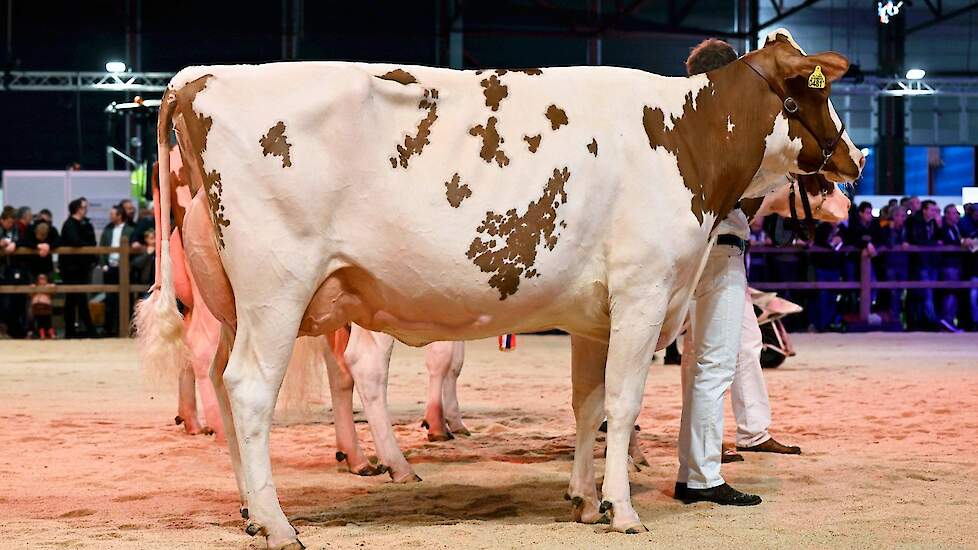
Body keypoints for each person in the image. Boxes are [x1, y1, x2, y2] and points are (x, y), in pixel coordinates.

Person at [674, 38, 798, 507]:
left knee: (694, 364)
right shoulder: (734, 126)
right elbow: (740, 197)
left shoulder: (684, 120)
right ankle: (702, 478)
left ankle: (694, 470)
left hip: (685, 252)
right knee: (715, 365)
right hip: (721, 248)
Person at [60, 197, 97, 338]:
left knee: (78, 299)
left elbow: (92, 241)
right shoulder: (69, 224)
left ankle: (80, 330)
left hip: (82, 267)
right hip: (71, 269)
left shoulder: (85, 224)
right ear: (77, 209)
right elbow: (74, 241)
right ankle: (78, 331)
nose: (85, 209)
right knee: (73, 299)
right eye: (83, 207)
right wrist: (86, 244)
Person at [99, 204, 134, 337]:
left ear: (119, 215)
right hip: (110, 267)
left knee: (125, 299)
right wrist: (103, 264)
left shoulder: (130, 230)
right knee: (109, 299)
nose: (110, 216)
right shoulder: (107, 230)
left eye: (112, 214)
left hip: (124, 268)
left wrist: (129, 265)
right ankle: (108, 330)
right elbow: (101, 248)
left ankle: (124, 329)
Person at [907, 199, 941, 330]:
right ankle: (931, 322)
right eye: (932, 210)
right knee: (926, 293)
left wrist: (939, 225)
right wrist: (933, 243)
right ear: (924, 210)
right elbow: (917, 240)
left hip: (932, 262)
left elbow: (939, 239)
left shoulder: (933, 223)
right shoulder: (914, 222)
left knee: (929, 292)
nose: (934, 212)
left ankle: (927, 321)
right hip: (920, 263)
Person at [875, 207, 911, 325]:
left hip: (903, 264)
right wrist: (892, 232)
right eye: (900, 216)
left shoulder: (906, 229)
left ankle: (899, 318)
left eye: (904, 216)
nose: (902, 219)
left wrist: (906, 243)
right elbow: (888, 244)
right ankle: (893, 318)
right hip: (890, 265)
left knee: (901, 293)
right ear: (894, 217)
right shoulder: (885, 229)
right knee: (891, 292)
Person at [1, 206, 29, 338]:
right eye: (9, 222)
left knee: (12, 302)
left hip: (11, 269)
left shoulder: (16, 229)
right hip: (2, 268)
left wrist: (15, 244)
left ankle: (12, 331)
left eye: (13, 222)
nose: (11, 225)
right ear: (3, 220)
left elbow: (23, 240)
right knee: (4, 302)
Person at [938, 204, 965, 332]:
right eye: (954, 213)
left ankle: (949, 320)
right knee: (950, 292)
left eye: (956, 213)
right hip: (948, 265)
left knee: (953, 292)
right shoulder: (944, 228)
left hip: (956, 264)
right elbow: (948, 242)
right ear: (947, 214)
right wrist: (962, 243)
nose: (956, 215)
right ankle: (946, 319)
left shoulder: (956, 227)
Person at [30, 273, 56, 339]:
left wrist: (52, 286)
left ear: (46, 280)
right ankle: (42, 335)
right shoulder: (35, 287)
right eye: (40, 279)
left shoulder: (48, 286)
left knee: (48, 321)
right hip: (37, 306)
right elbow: (30, 294)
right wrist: (32, 288)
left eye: (43, 279)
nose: (42, 280)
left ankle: (52, 334)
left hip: (46, 306)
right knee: (39, 322)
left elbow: (53, 290)